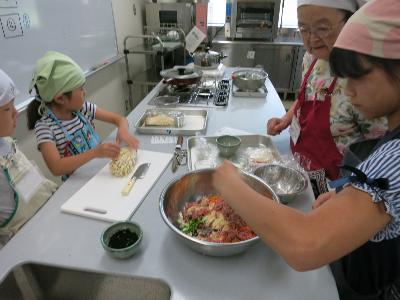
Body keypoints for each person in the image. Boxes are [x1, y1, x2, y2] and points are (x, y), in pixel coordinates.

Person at [213, 0, 400, 298]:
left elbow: (305, 244)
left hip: (373, 280)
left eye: (359, 76)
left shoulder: (394, 159)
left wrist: (226, 180)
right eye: (304, 29)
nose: (348, 91)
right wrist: (350, 194)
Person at [267, 0, 387, 196]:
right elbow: (305, 97)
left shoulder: (363, 79)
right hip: (298, 167)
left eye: (322, 28)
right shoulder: (310, 58)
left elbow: (378, 150)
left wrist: (352, 192)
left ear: (351, 22)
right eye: (303, 28)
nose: (311, 39)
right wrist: (287, 118)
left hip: (336, 187)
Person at [26, 51, 139, 180]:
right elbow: (56, 167)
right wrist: (95, 153)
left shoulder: (83, 108)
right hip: (78, 184)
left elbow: (119, 119)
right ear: (60, 99)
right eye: (80, 89)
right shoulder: (45, 128)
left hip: (102, 172)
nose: (84, 92)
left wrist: (123, 130)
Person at [0, 69, 58, 248]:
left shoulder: (7, 142)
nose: (15, 113)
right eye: (8, 108)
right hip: (24, 245)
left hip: (47, 220)